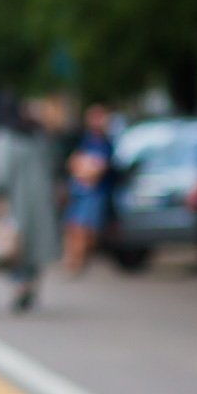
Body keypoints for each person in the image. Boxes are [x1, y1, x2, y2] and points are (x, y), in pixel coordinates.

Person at [0, 97, 61, 313]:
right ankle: (29, 285)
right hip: (39, 198)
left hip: (14, 200)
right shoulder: (36, 133)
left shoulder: (2, 136)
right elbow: (52, 162)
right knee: (32, 244)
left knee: (14, 244)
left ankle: (18, 286)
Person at [62, 103, 114, 273]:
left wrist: (85, 170)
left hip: (94, 192)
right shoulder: (84, 139)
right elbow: (73, 162)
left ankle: (79, 260)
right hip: (80, 189)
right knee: (74, 225)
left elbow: (99, 169)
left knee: (86, 228)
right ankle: (74, 260)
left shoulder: (106, 142)